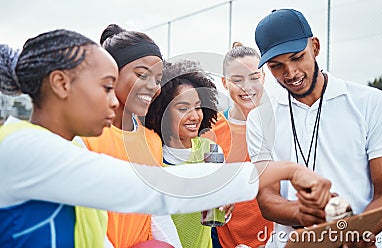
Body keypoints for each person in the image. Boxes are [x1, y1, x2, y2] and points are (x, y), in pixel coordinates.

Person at [0, 29, 331, 247]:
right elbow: (155, 188)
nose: (115, 101)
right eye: (105, 87)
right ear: (61, 84)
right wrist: (285, 171)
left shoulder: (42, 148)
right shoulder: (24, 149)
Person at [247, 9, 382, 248]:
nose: (291, 73)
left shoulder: (371, 102)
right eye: (277, 66)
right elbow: (267, 199)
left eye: (297, 57)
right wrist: (302, 213)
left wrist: (357, 233)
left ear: (315, 47)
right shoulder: (259, 118)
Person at [80, 24, 181, 248]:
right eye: (141, 74)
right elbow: (83, 216)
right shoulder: (84, 137)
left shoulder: (152, 142)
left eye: (157, 79)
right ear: (111, 73)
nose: (153, 86)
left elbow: (156, 212)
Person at [145, 60, 226, 248]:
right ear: (163, 111)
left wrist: (227, 201)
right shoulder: (154, 156)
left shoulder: (211, 151)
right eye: (183, 109)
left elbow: (221, 210)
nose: (194, 116)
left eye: (198, 107)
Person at [203, 42, 274, 248]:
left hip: (273, 240)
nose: (247, 87)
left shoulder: (280, 123)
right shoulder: (211, 128)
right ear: (225, 83)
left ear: (264, 77)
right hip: (226, 241)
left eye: (254, 77)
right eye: (237, 80)